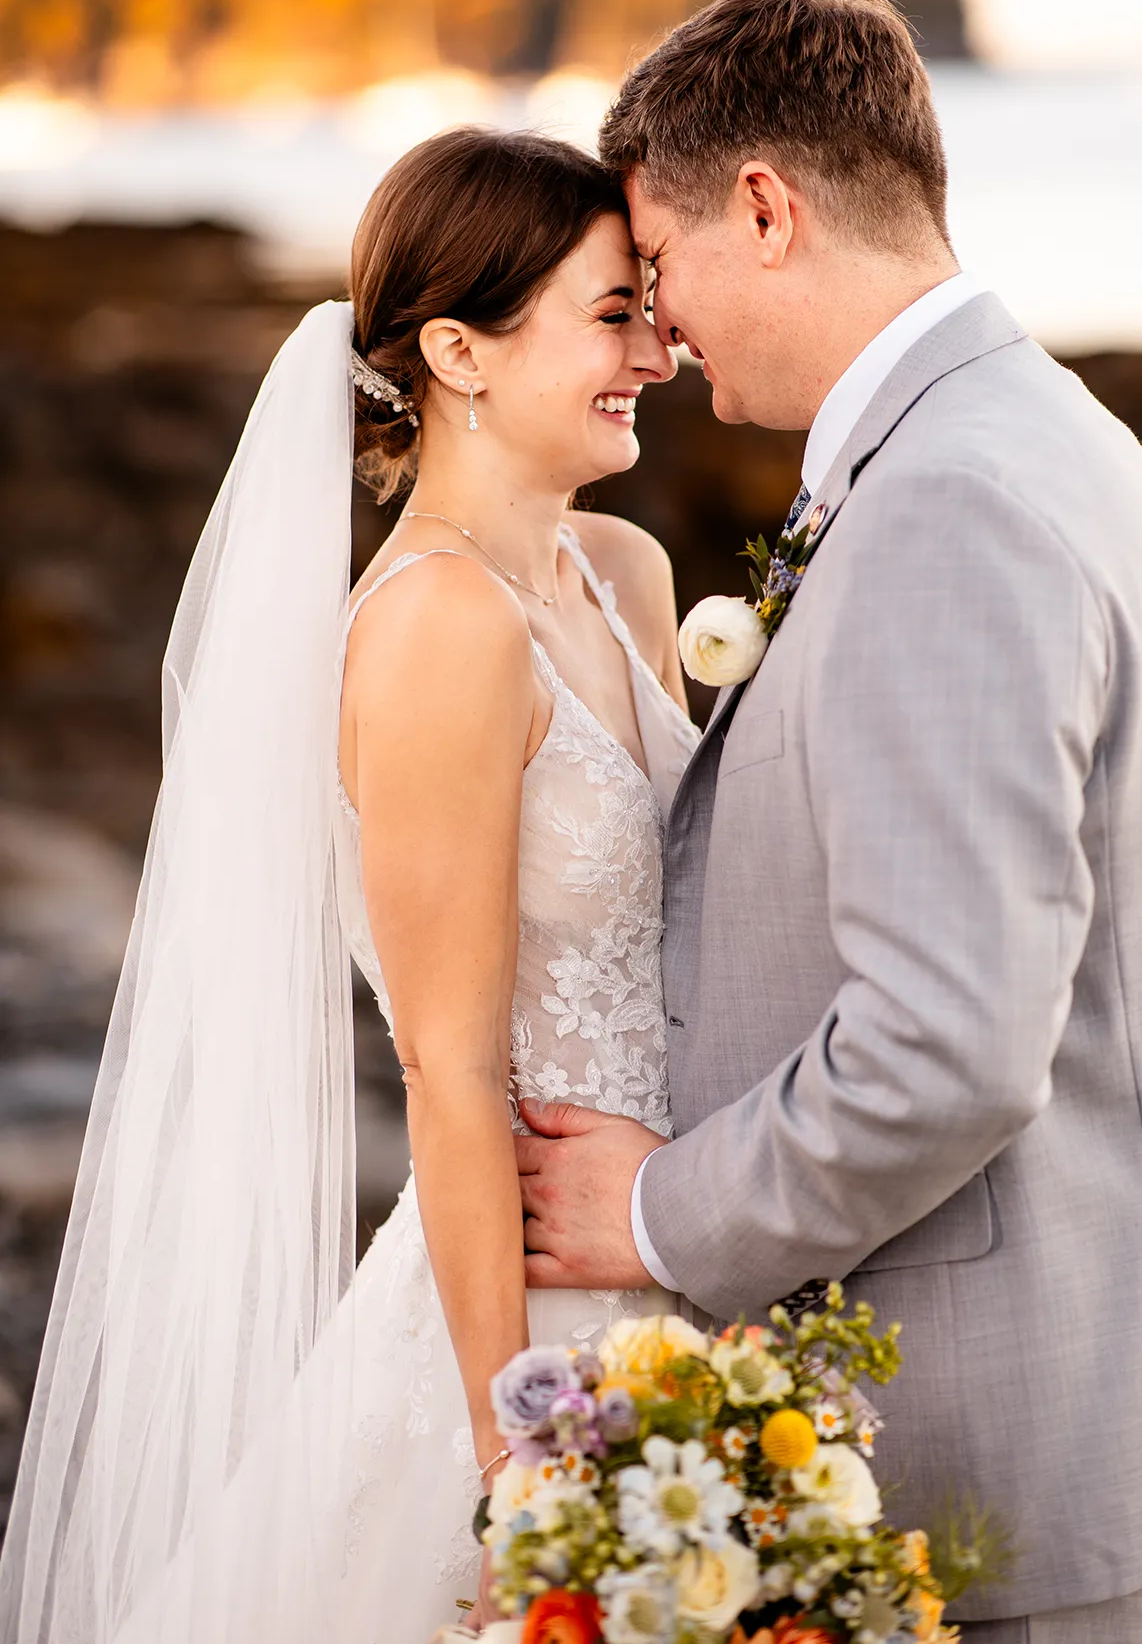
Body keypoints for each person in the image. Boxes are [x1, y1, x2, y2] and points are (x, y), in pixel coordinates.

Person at [515, 0, 1142, 1642]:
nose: (660, 329)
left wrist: (655, 1211)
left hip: (1036, 1450)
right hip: (1086, 1401)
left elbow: (948, 1043)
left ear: (767, 209)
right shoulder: (1022, 431)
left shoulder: (949, 504)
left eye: (662, 268)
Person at [0, 128, 695, 1643]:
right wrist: (516, 1449)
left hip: (689, 1245)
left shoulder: (627, 575)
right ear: (459, 349)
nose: (659, 346)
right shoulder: (437, 627)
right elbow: (448, 1074)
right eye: (610, 313)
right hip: (533, 1304)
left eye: (651, 301)